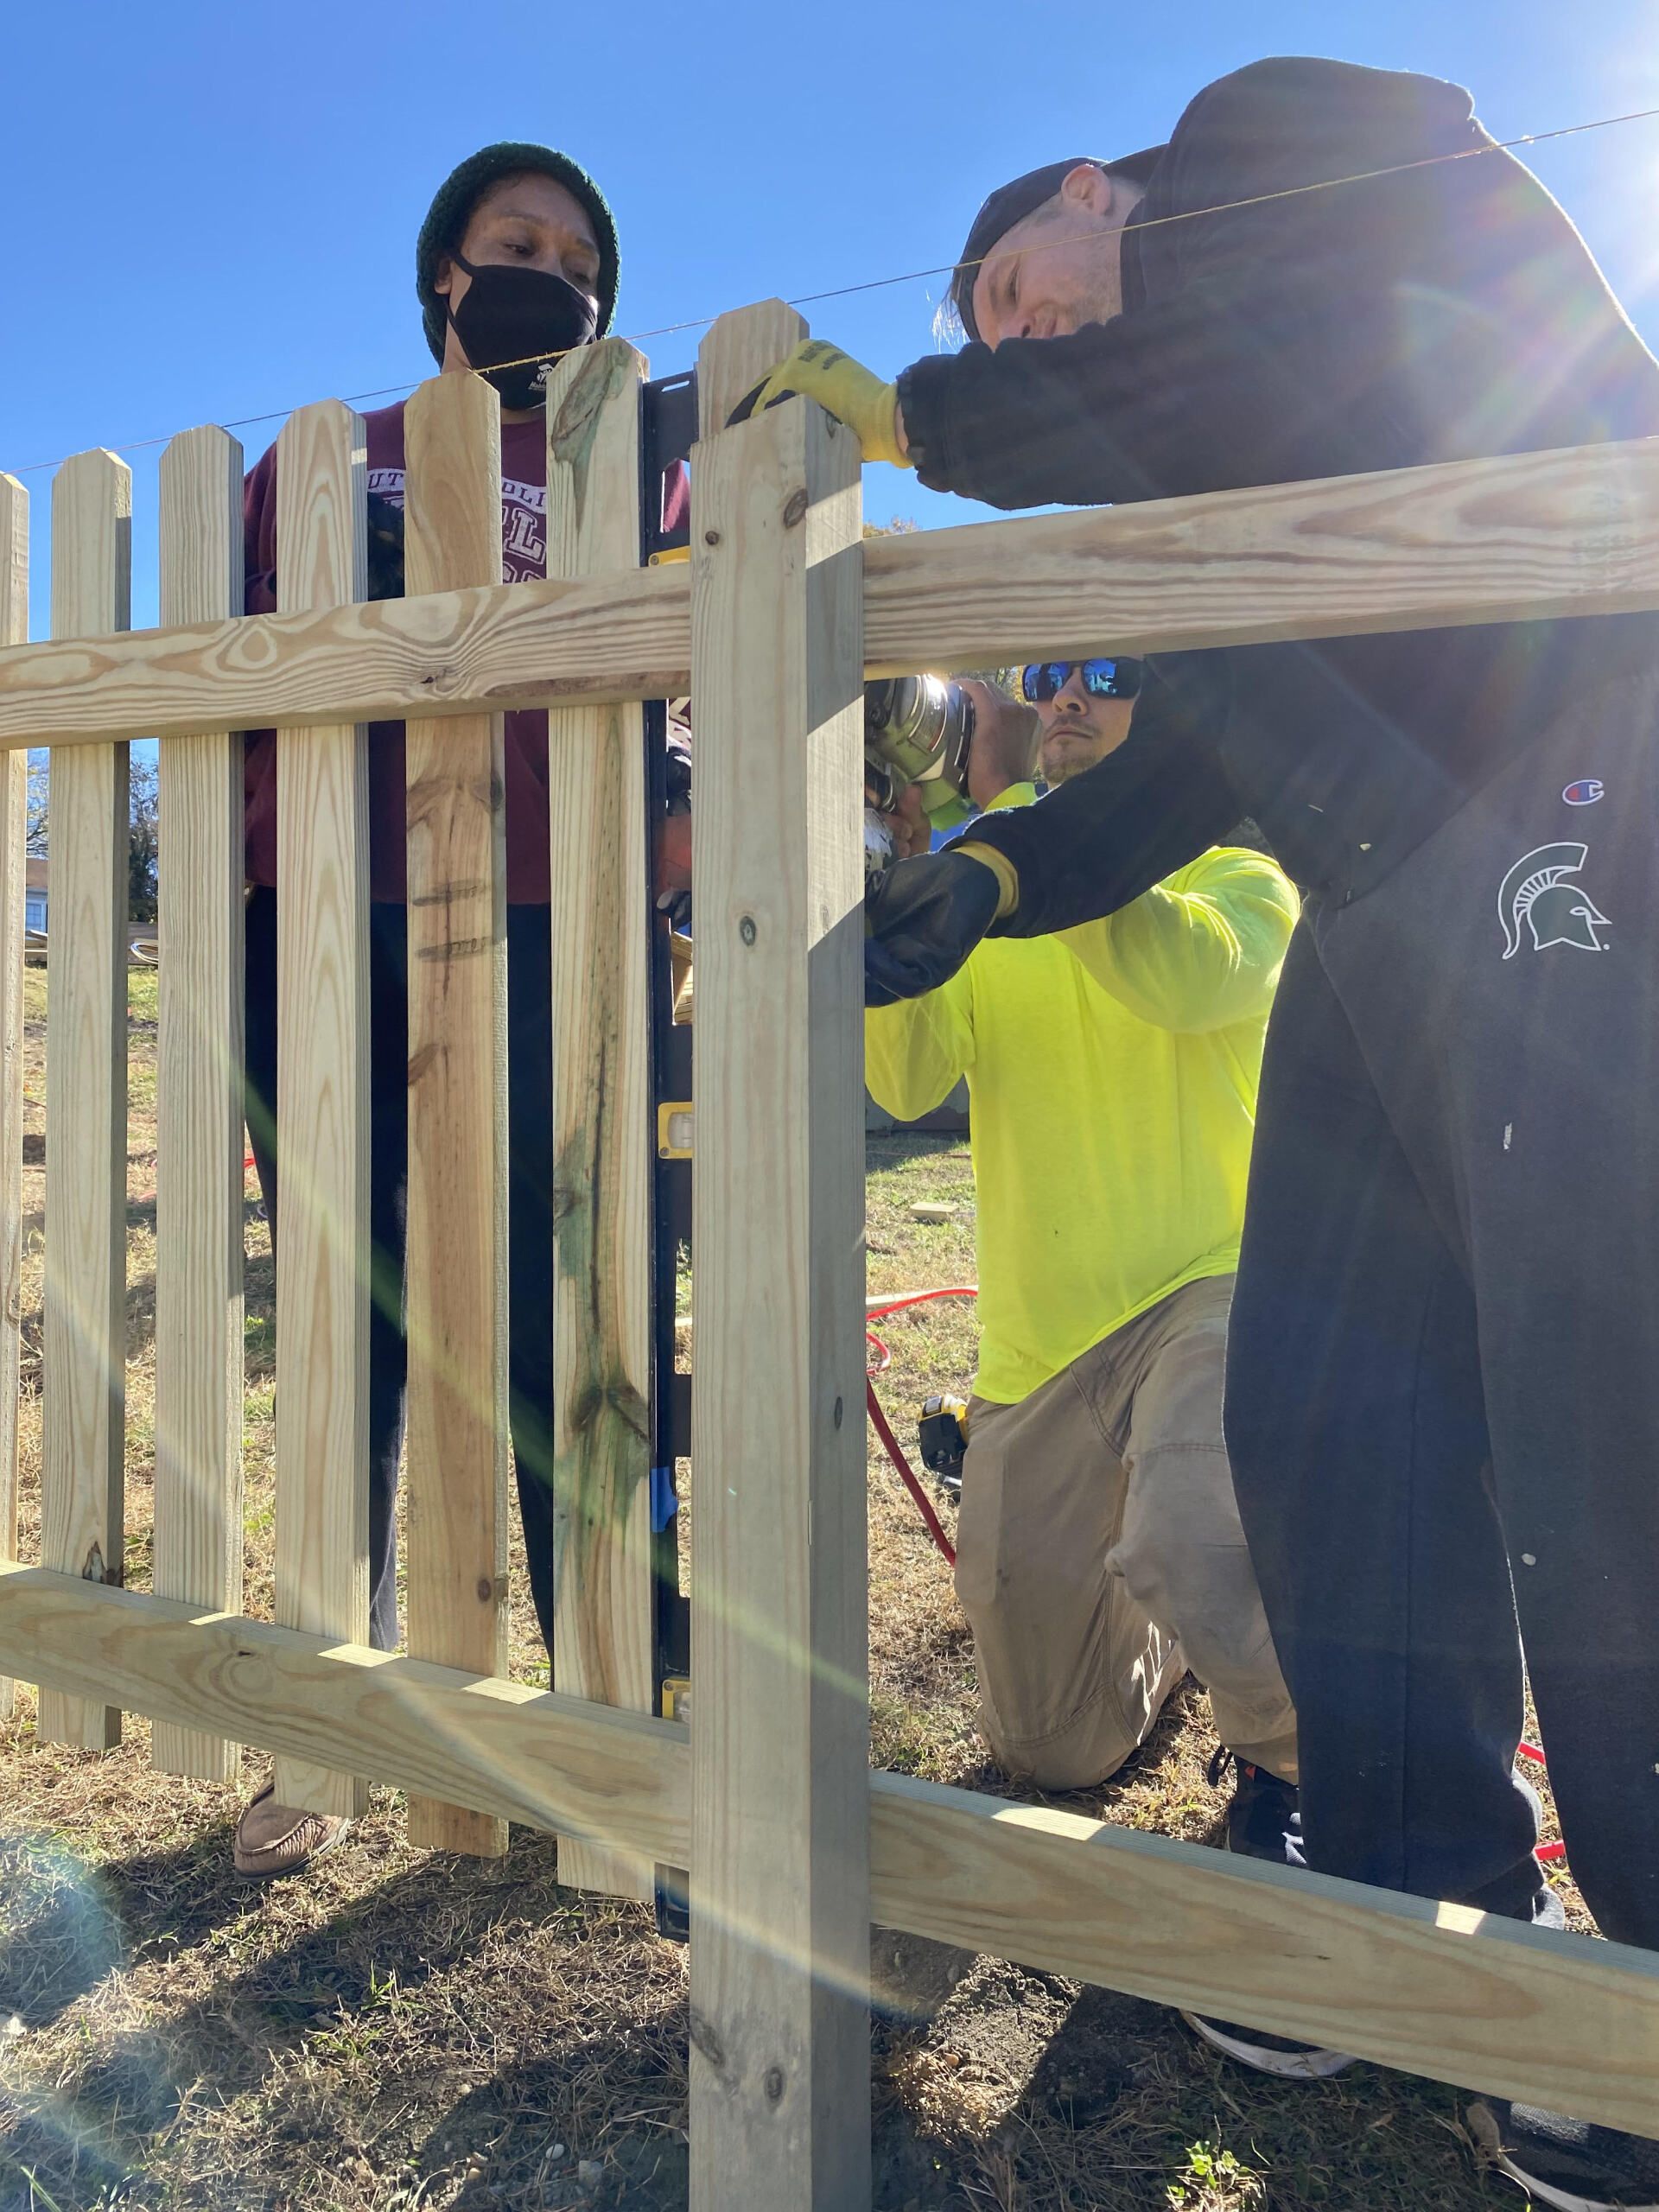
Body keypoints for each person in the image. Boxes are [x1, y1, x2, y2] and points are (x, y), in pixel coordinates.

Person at [745, 58, 1659, 2210]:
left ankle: (1640, 1993)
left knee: (1600, 1414)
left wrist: (924, 422)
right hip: (1375, 900)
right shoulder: (1201, 482)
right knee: (1332, 1404)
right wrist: (984, 875)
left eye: (1016, 290)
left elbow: (1269, 330)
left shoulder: (1291, 146)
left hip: (1574, 782)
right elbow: (1188, 770)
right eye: (978, 333)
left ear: (1095, 188)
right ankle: (1413, 1899)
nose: (1014, 339)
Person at [236, 142, 690, 1878]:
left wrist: (679, 830)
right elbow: (240, 685)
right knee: (351, 1318)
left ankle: (608, 1701)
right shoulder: (315, 460)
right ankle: (319, 1725)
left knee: (565, 1325)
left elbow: (681, 696)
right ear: (446, 274)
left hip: (549, 929)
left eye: (578, 257)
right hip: (334, 926)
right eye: (517, 243)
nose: (550, 273)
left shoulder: (625, 478)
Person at [866, 664, 1300, 1864]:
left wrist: (1020, 830)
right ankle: (1174, 1644)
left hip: (1215, 1287)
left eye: (1111, 678)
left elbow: (1174, 978)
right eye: (1046, 677)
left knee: (1196, 1535)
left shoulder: (1242, 877)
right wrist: (881, 884)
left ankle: (1298, 1766)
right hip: (1039, 1339)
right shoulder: (982, 876)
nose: (1066, 698)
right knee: (1051, 1745)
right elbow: (902, 1084)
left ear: (1176, 717)